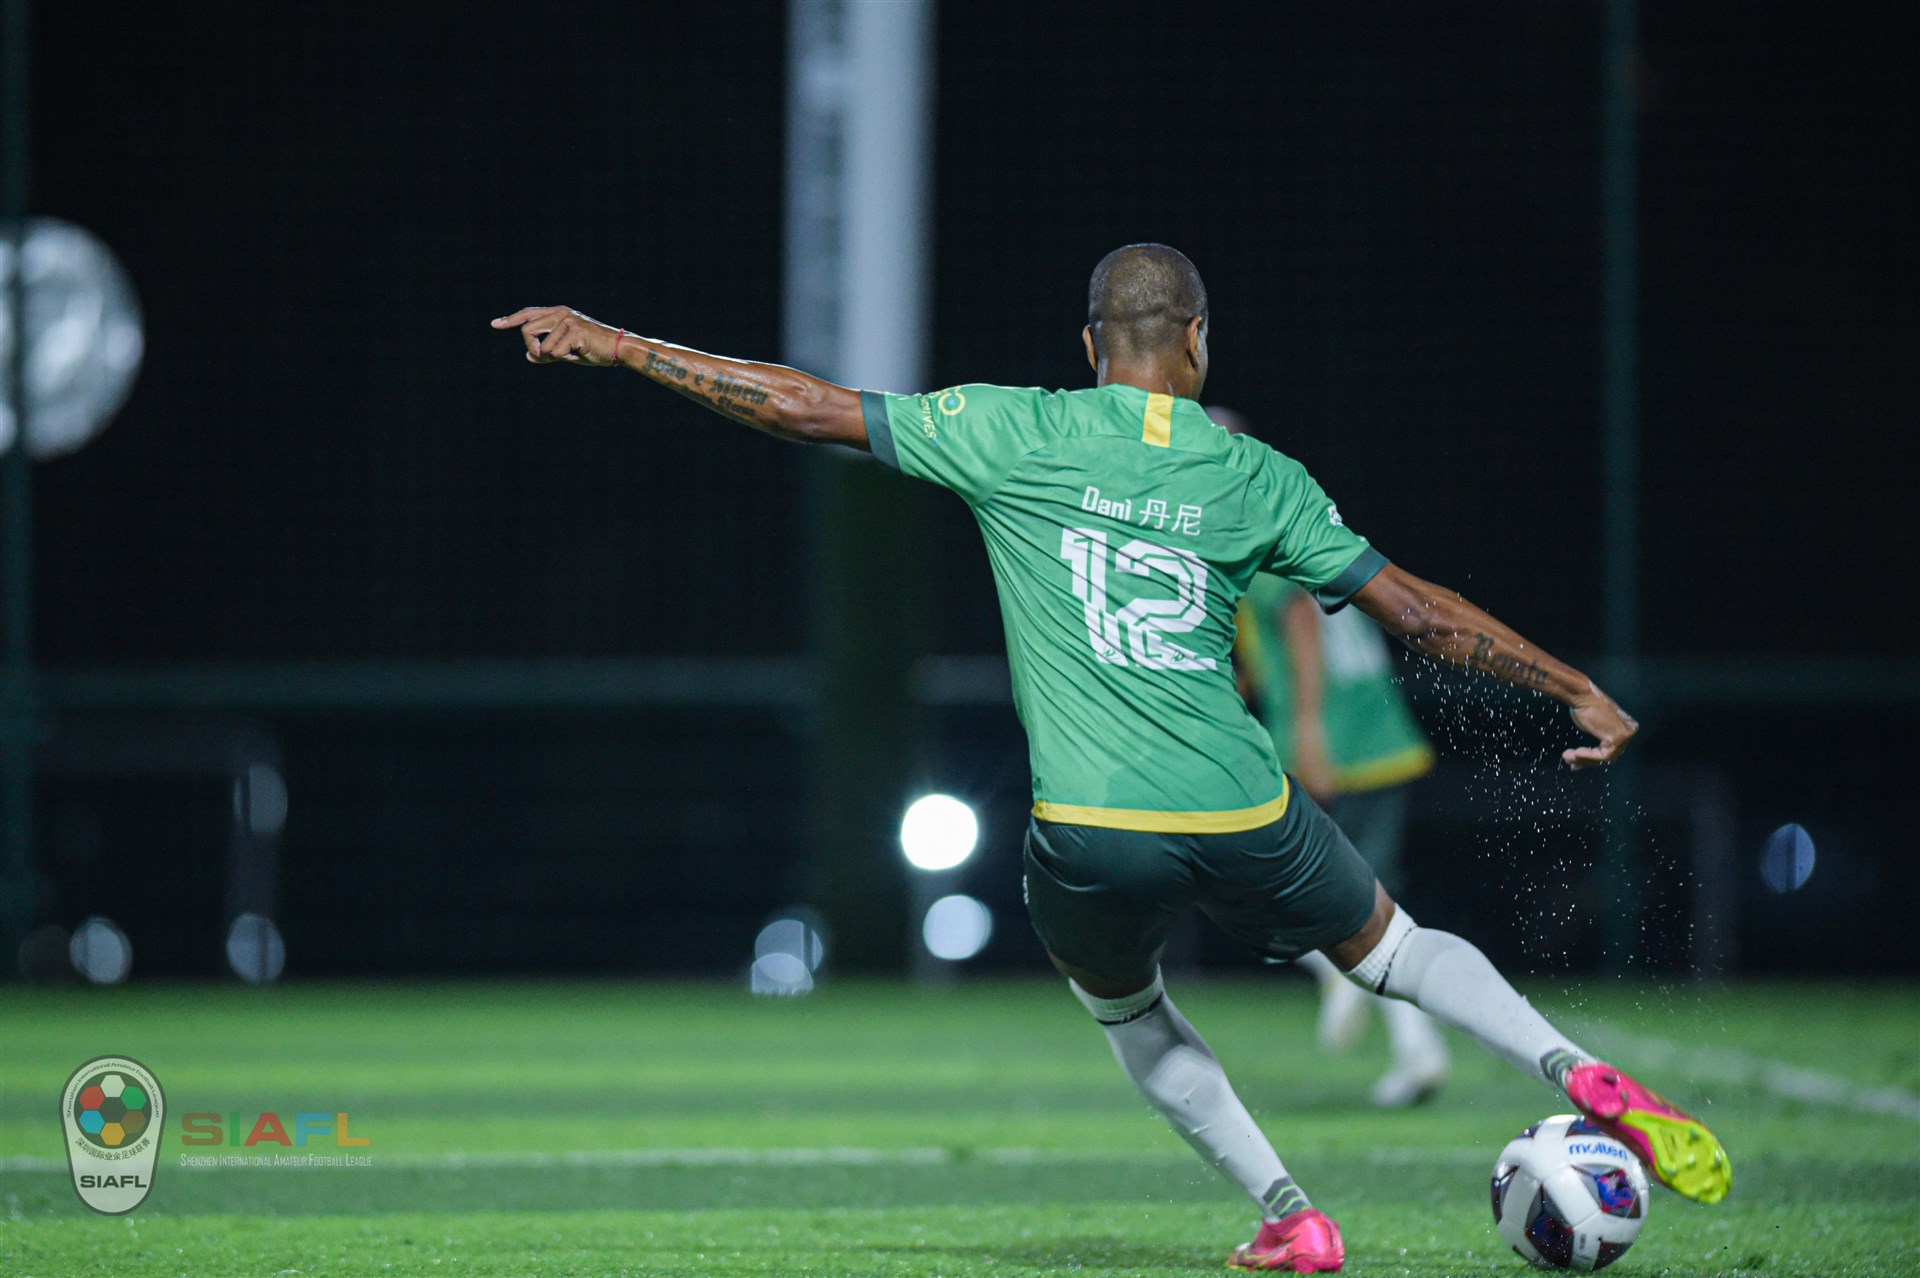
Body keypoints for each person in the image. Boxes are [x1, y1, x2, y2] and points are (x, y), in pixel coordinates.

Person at [492, 243, 1730, 1273]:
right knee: (1396, 949)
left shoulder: (1007, 426)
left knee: (1130, 1011)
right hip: (1244, 809)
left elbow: (802, 405)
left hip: (1089, 828)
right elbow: (1421, 615)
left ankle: (1292, 1217)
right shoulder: (1255, 474)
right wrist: (1574, 689)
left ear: (1090, 346)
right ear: (1197, 341)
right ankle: (1575, 1067)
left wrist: (620, 344)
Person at [1212, 405, 1449, 1109]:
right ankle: (1361, 994)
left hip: (1337, 742)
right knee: (1348, 897)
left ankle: (1380, 1011)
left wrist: (1310, 733)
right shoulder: (1284, 511)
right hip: (1372, 737)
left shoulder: (1246, 526)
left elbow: (1298, 620)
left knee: (1317, 896)